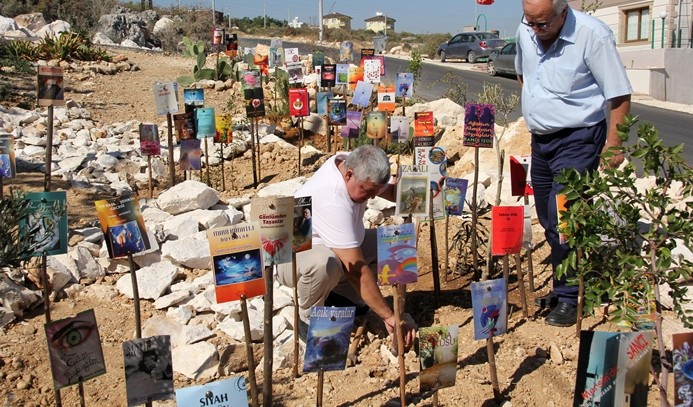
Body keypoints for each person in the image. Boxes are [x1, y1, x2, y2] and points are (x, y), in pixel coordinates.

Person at [515, 0, 632, 326]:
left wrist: (613, 144)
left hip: (579, 140)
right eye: (531, 22)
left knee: (566, 216)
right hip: (542, 143)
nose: (536, 31)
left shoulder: (592, 35)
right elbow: (524, 74)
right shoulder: (526, 29)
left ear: (562, 13)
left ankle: (570, 297)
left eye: (543, 25)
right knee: (546, 216)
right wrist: (538, 116)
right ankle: (563, 283)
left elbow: (619, 95)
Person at [277, 145, 415, 349]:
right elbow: (356, 270)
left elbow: (393, 192)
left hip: (333, 243)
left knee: (396, 244)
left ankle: (342, 296)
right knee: (325, 264)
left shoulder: (359, 164)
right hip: (294, 256)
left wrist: (424, 190)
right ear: (349, 175)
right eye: (368, 192)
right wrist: (389, 316)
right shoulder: (332, 198)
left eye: (375, 192)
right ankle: (308, 317)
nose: (373, 197)